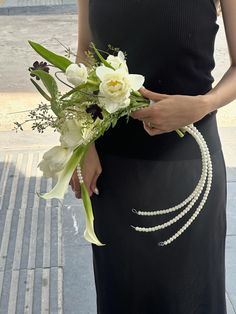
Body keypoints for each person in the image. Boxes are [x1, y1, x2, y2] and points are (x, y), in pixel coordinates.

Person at [70, 0, 236, 313]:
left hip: (190, 168)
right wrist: (84, 143)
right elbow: (85, 53)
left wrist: (204, 103)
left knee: (190, 297)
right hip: (112, 172)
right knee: (122, 295)